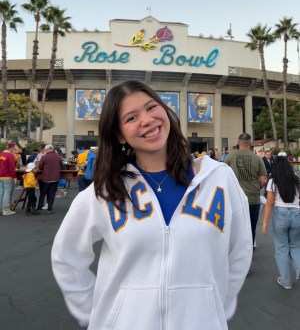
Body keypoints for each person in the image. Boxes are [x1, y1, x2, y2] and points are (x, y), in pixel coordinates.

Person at [51, 80, 253, 330]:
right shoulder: (106, 190)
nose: (146, 120)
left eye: (151, 107)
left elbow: (240, 249)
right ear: (119, 135)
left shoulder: (219, 178)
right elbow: (66, 254)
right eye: (132, 117)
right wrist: (99, 314)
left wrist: (215, 310)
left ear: (165, 111)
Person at [262, 156, 300, 289]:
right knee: (295, 247)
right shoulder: (296, 180)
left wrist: (265, 222)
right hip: (296, 214)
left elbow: (269, 203)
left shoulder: (273, 182)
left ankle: (286, 281)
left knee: (282, 249)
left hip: (280, 215)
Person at [225, 133, 268, 246]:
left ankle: (235, 251)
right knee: (251, 227)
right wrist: (256, 188)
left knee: (234, 228)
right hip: (253, 199)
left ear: (238, 142)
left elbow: (223, 175)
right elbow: (263, 180)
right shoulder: (257, 159)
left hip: (234, 199)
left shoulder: (230, 157)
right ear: (250, 143)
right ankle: (249, 248)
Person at [37, 145, 64, 213]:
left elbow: (40, 167)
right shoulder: (58, 156)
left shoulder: (44, 157)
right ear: (52, 149)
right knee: (52, 194)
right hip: (55, 178)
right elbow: (62, 165)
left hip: (46, 178)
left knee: (43, 193)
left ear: (46, 150)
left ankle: (39, 208)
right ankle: (49, 208)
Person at [0, 142, 17, 216]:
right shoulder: (10, 156)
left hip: (0, 176)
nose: (15, 150)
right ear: (11, 148)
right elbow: (12, 168)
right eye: (14, 148)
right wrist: (15, 177)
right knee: (7, 192)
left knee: (1, 192)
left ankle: (1, 209)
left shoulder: (0, 154)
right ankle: (6, 210)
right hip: (7, 176)